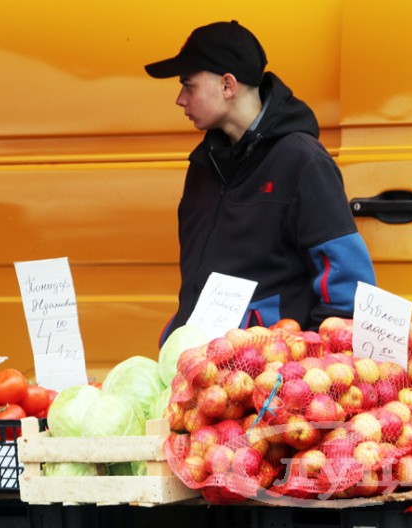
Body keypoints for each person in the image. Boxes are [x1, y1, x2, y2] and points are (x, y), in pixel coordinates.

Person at [145, 20, 376, 345]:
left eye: (188, 85)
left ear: (228, 85)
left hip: (270, 377)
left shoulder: (303, 161)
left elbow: (348, 290)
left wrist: (310, 361)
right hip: (202, 370)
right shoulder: (203, 165)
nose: (180, 99)